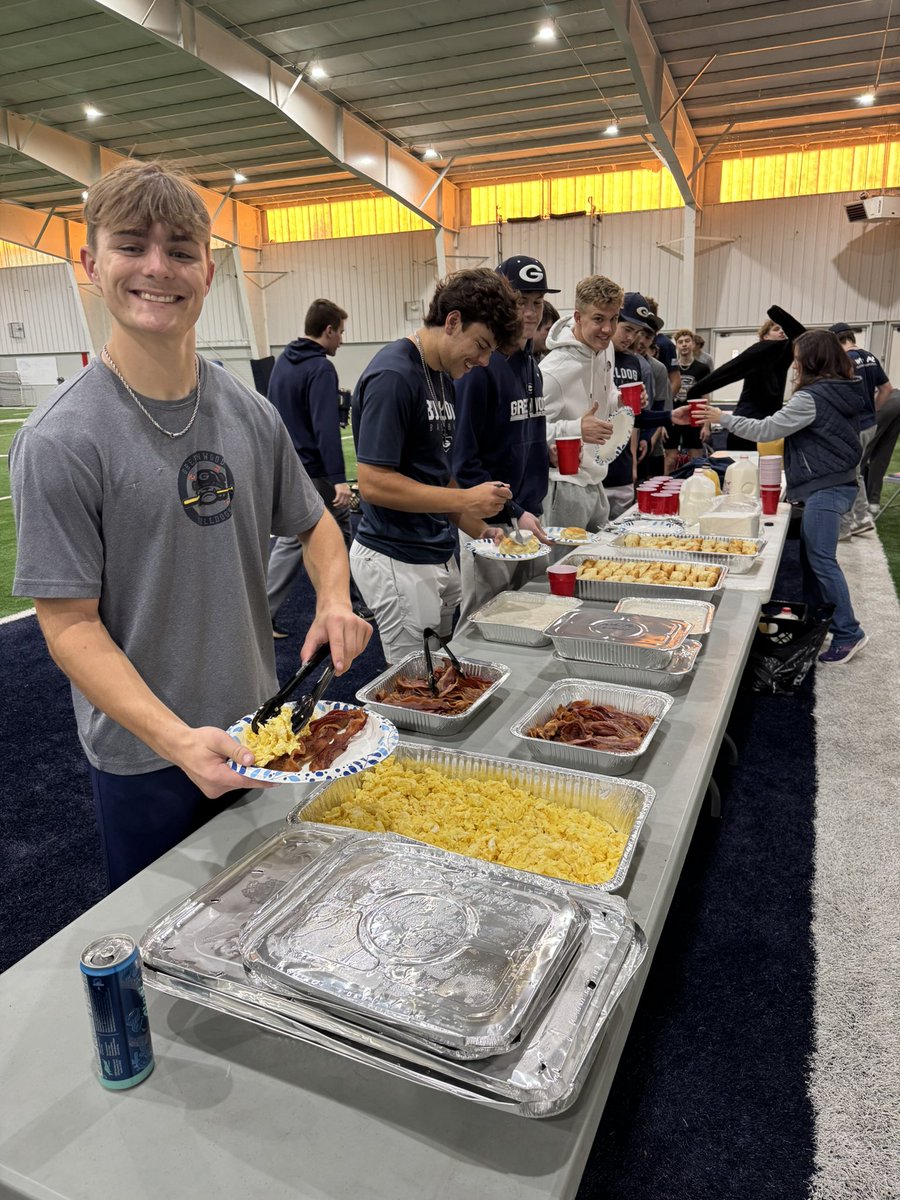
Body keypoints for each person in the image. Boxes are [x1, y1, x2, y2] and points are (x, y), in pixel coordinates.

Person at [9, 160, 371, 890]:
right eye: (131, 245)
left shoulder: (249, 412)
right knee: (161, 937)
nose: (157, 268)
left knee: (268, 911)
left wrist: (334, 599)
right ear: (91, 264)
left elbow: (315, 525)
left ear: (207, 271)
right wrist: (175, 739)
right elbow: (69, 626)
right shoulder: (61, 439)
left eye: (179, 250)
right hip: (146, 755)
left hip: (260, 728)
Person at [349, 268, 521, 663]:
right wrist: (467, 499)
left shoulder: (442, 375)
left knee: (440, 668)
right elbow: (373, 484)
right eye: (481, 345)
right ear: (453, 321)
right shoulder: (394, 375)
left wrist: (480, 527)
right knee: (414, 681)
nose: (483, 361)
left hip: (434, 549)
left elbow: (436, 472)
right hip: (396, 554)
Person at [677, 330, 867, 665]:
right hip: (834, 483)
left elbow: (767, 430)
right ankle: (817, 620)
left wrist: (722, 418)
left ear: (811, 361)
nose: (794, 366)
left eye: (797, 359)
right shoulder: (843, 389)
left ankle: (848, 632)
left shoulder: (812, 398)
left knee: (822, 561)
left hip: (825, 487)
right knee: (812, 560)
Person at [452, 255, 556, 621]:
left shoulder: (531, 365)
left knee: (526, 615)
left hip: (529, 515)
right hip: (490, 521)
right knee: (483, 618)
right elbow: (462, 461)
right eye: (520, 301)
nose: (529, 313)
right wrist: (513, 511)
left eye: (537, 303)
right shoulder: (479, 366)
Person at [265, 297, 370, 634]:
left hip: (288, 465)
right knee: (309, 537)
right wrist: (339, 479)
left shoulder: (283, 361)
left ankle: (351, 600)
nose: (342, 339)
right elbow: (325, 427)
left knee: (318, 533)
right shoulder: (321, 368)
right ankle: (264, 613)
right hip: (316, 472)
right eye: (341, 332)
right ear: (328, 330)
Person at [540, 274, 624, 531]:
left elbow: (604, 395)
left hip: (596, 480)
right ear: (578, 317)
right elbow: (528, 431)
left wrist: (619, 399)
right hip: (563, 486)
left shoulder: (605, 348)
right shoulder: (553, 371)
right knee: (563, 559)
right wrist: (576, 428)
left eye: (614, 319)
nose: (608, 329)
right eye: (598, 319)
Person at [685, 306, 806, 452]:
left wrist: (776, 313)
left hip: (770, 422)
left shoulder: (784, 353)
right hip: (747, 419)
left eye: (783, 329)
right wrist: (695, 391)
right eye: (776, 329)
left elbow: (801, 335)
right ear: (765, 337)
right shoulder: (760, 350)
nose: (781, 332)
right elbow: (728, 371)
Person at [829, 323, 891, 537]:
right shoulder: (870, 357)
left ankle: (852, 522)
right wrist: (873, 410)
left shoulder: (844, 360)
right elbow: (886, 389)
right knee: (855, 470)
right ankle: (859, 517)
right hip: (870, 424)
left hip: (853, 425)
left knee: (847, 474)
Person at [606, 291, 654, 517]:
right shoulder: (596, 357)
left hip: (623, 466)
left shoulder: (634, 362)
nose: (630, 338)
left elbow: (632, 418)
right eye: (626, 329)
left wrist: (633, 460)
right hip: (595, 468)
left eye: (636, 332)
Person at [666, 328, 711, 471]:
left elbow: (706, 397)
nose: (684, 344)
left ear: (693, 344)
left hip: (694, 417)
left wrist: (706, 425)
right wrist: (662, 423)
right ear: (677, 346)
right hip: (674, 416)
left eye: (687, 341)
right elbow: (664, 396)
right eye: (680, 342)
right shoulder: (671, 369)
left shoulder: (702, 368)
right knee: (670, 458)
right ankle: (666, 483)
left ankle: (696, 483)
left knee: (695, 458)